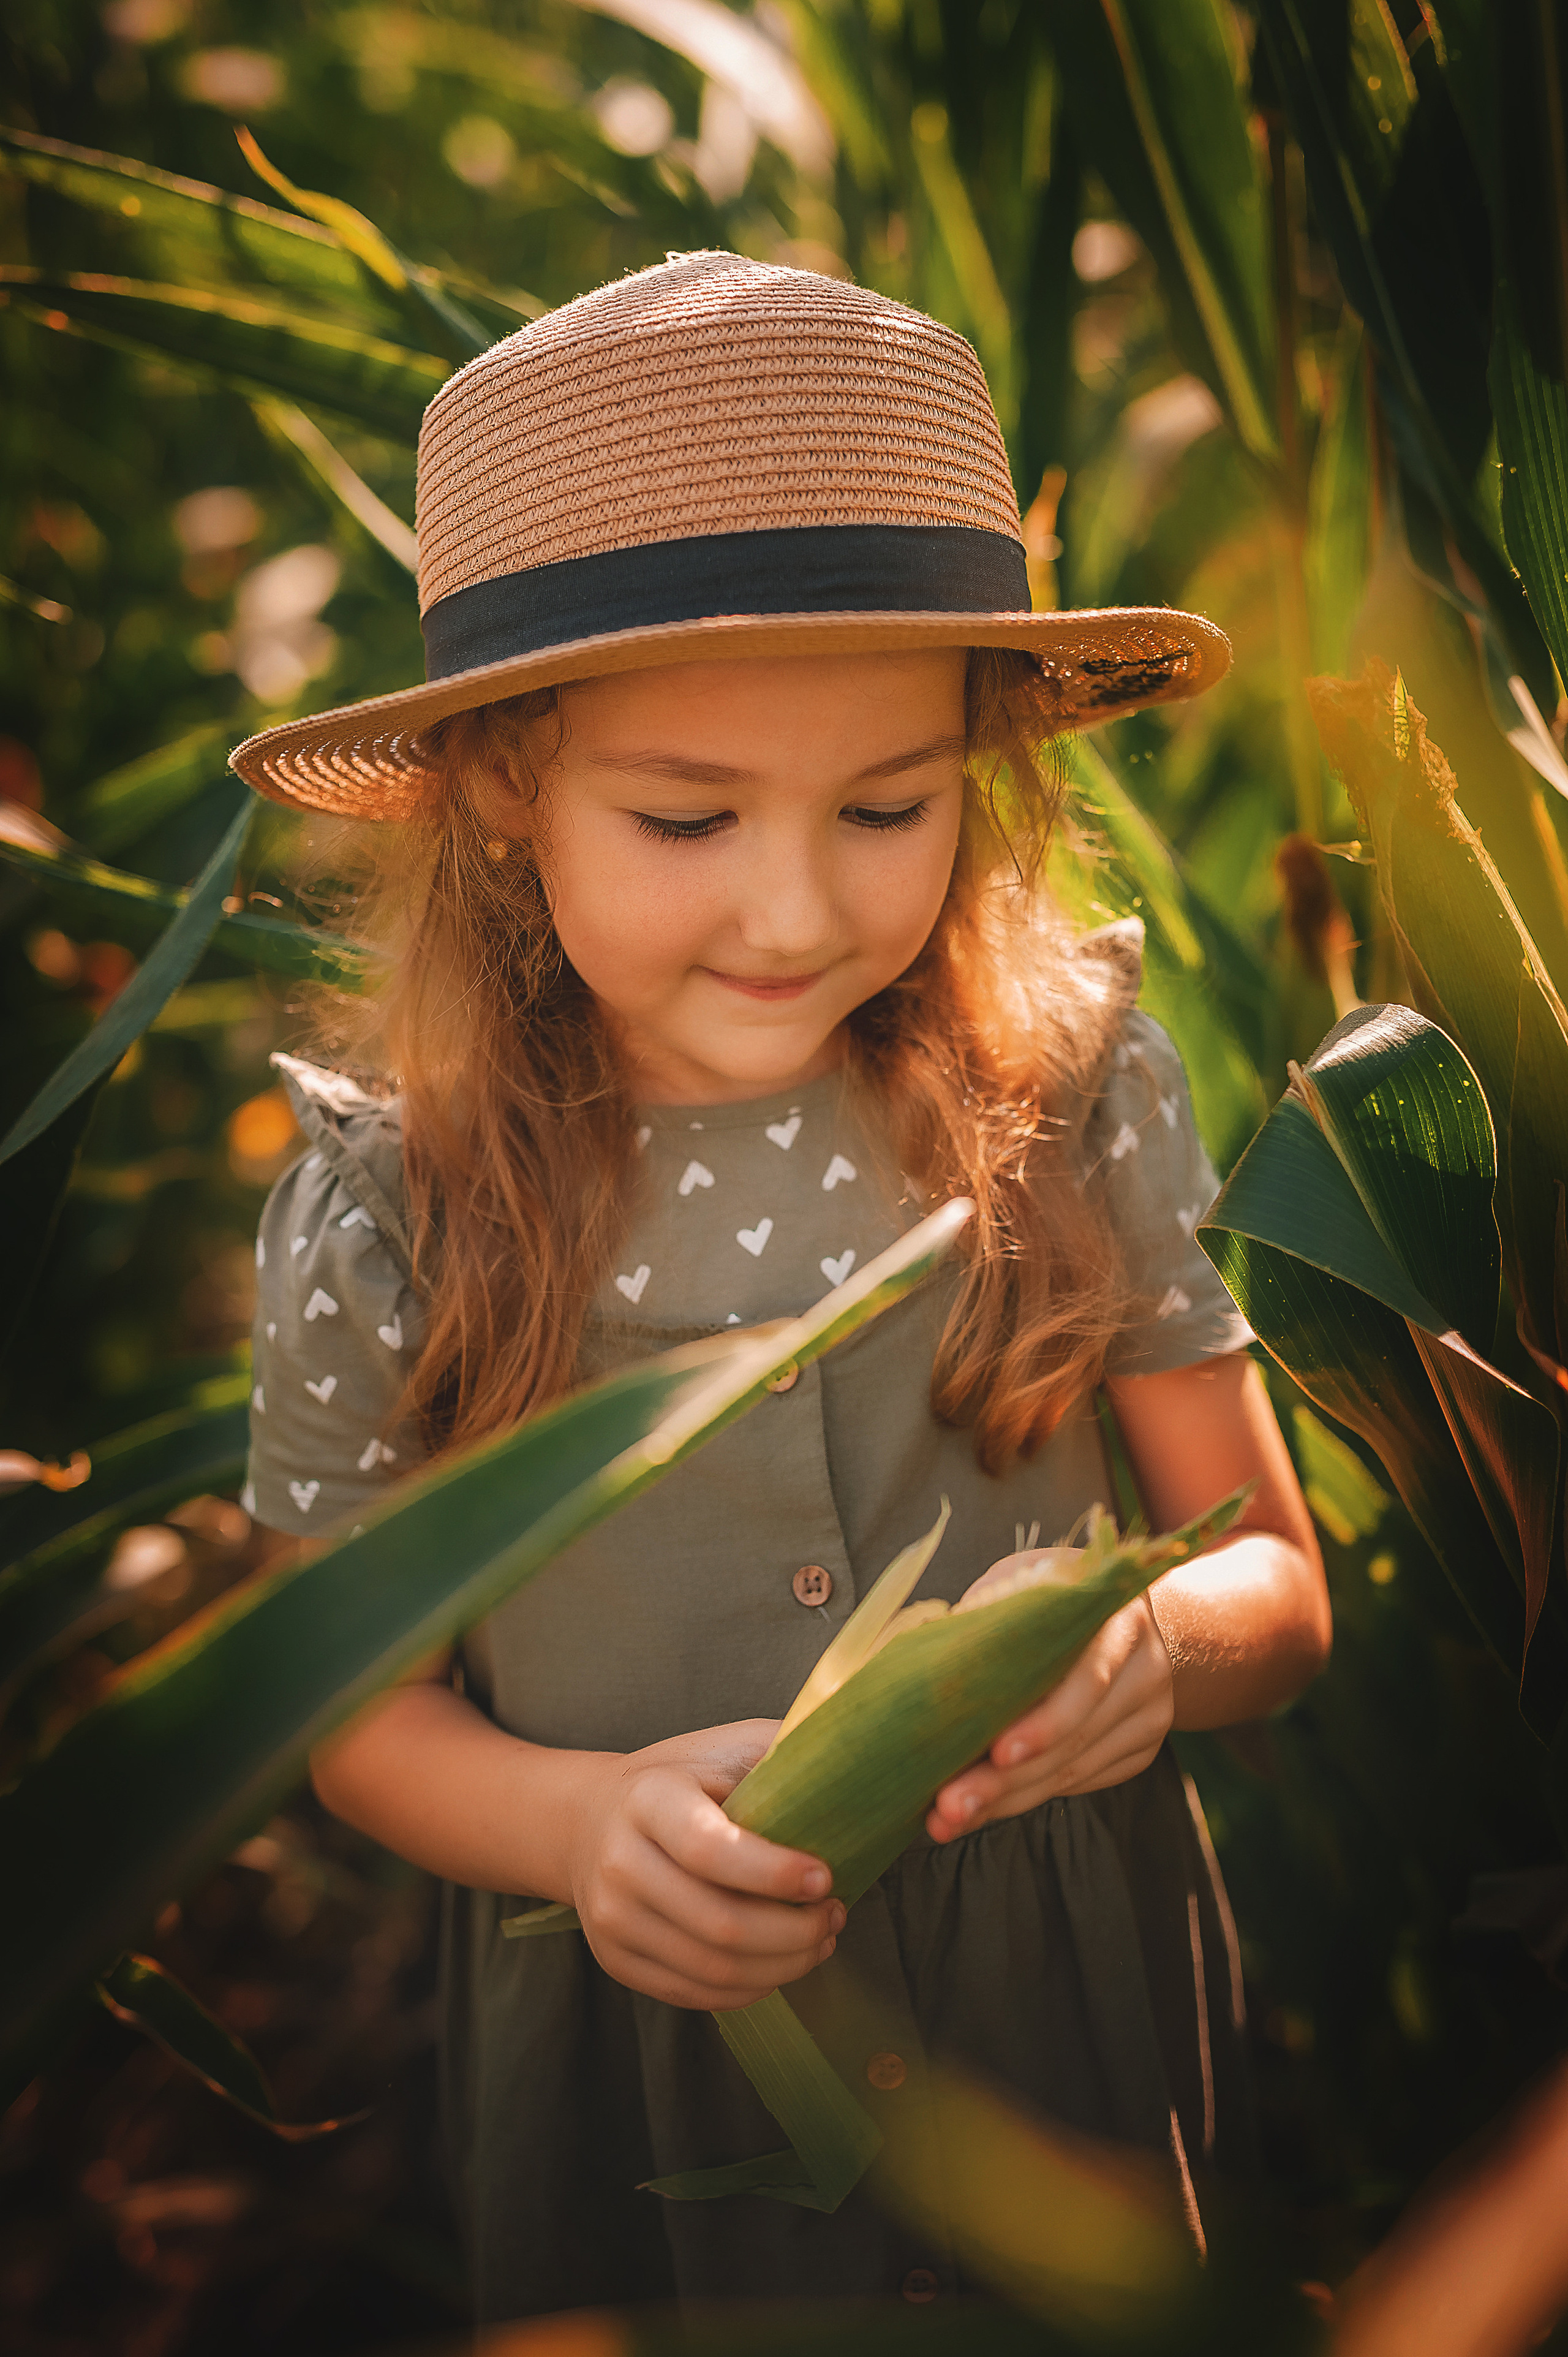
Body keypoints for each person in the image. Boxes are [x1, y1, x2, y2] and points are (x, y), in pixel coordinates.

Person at [232, 252, 1330, 2320]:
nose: (796, 904)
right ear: (497, 788)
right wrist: (573, 1829)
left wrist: (1158, 1650)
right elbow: (345, 1714)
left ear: (979, 764)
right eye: (683, 814)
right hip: (656, 2089)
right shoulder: (398, 1206)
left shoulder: (1067, 1094)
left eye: (888, 805)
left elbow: (1278, 1582)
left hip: (1057, 2051)